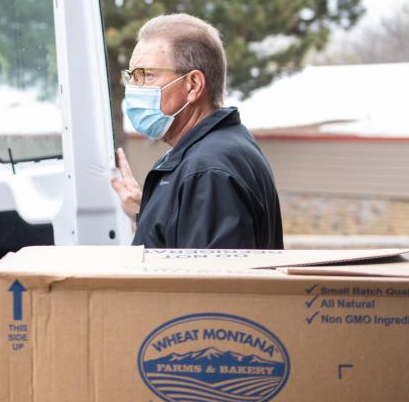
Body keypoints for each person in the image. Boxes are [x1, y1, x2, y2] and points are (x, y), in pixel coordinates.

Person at [110, 14, 283, 249]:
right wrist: (147, 213)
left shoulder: (208, 171)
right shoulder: (218, 149)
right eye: (132, 77)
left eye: (147, 75)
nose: (134, 89)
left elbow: (207, 281)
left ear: (193, 85)